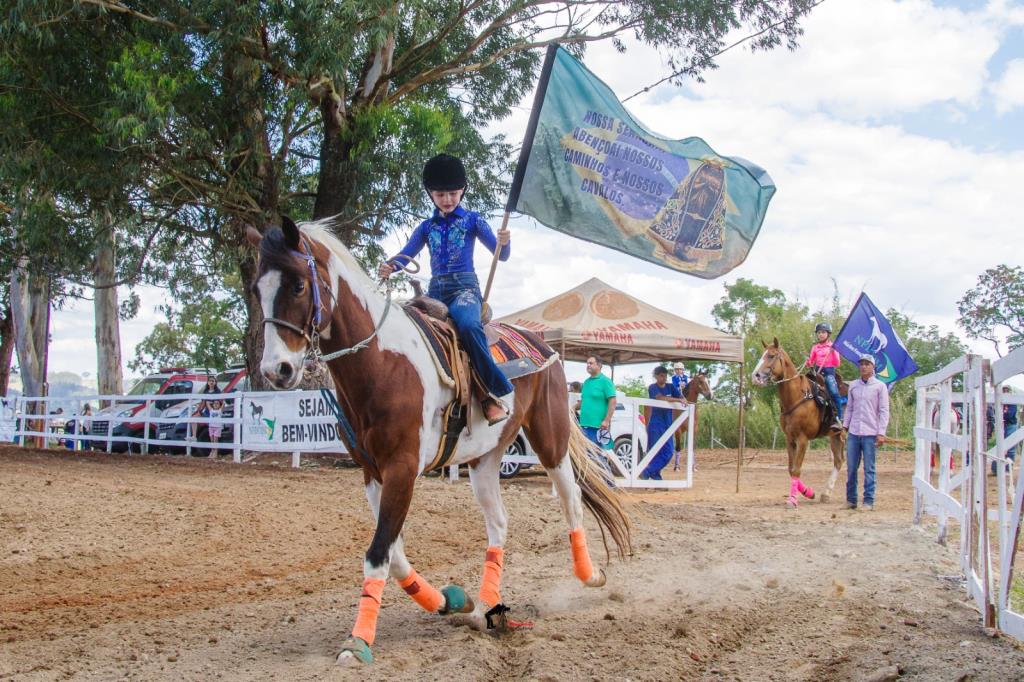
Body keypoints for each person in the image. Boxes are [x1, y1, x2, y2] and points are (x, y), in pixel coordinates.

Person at [379, 153, 512, 425]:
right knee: (405, 325)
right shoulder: (426, 227)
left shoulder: (474, 220)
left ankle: (493, 392)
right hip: (435, 291)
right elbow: (406, 255)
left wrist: (505, 242)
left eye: (452, 193)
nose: (448, 199)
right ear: (431, 194)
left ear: (462, 191)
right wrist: (390, 266)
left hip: (465, 290)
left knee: (469, 327)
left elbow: (503, 256)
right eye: (441, 194)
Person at [843, 355, 890, 511]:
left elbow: (883, 411)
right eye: (861, 364)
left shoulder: (880, 387)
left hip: (871, 432)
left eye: (867, 364)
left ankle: (868, 501)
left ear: (873, 367)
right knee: (851, 467)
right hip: (854, 432)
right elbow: (849, 407)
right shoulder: (853, 386)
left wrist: (881, 432)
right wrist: (845, 426)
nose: (863, 367)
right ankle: (851, 500)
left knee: (869, 468)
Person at [640, 366, 687, 481]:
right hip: (655, 424)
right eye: (661, 375)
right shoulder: (652, 387)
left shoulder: (671, 387)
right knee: (654, 452)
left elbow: (681, 397)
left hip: (668, 425)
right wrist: (678, 400)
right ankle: (656, 479)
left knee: (668, 452)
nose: (664, 378)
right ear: (656, 376)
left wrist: (683, 399)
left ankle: (646, 472)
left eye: (665, 376)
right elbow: (660, 398)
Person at [577, 356, 616, 470]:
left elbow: (612, 401)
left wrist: (607, 420)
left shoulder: (605, 381)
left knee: (595, 455)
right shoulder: (586, 383)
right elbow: (583, 402)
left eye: (591, 363)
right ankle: (597, 483)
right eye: (587, 363)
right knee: (588, 455)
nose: (588, 365)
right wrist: (572, 408)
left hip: (597, 426)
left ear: (599, 365)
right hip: (584, 424)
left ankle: (608, 483)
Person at [805, 322, 843, 431]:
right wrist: (808, 362)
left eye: (823, 332)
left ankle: (839, 418)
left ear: (828, 334)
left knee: (833, 392)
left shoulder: (833, 346)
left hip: (829, 372)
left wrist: (834, 351)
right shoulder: (815, 347)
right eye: (819, 332)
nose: (820, 334)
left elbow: (837, 363)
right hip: (817, 372)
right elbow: (811, 362)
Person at [994, 386, 1017, 475]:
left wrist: (1002, 414)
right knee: (998, 446)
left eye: (1007, 390)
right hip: (1001, 425)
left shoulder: (1012, 402)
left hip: (1010, 425)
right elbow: (997, 413)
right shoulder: (999, 401)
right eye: (1004, 390)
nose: (1005, 392)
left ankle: (1008, 469)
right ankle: (996, 469)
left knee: (1010, 447)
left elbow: (1009, 415)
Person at [671, 362, 689, 460]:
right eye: (677, 369)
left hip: (684, 397)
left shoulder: (685, 377)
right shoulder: (674, 378)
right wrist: (679, 385)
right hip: (677, 396)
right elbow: (674, 386)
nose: (678, 371)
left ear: (682, 370)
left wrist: (684, 386)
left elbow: (687, 387)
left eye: (680, 369)